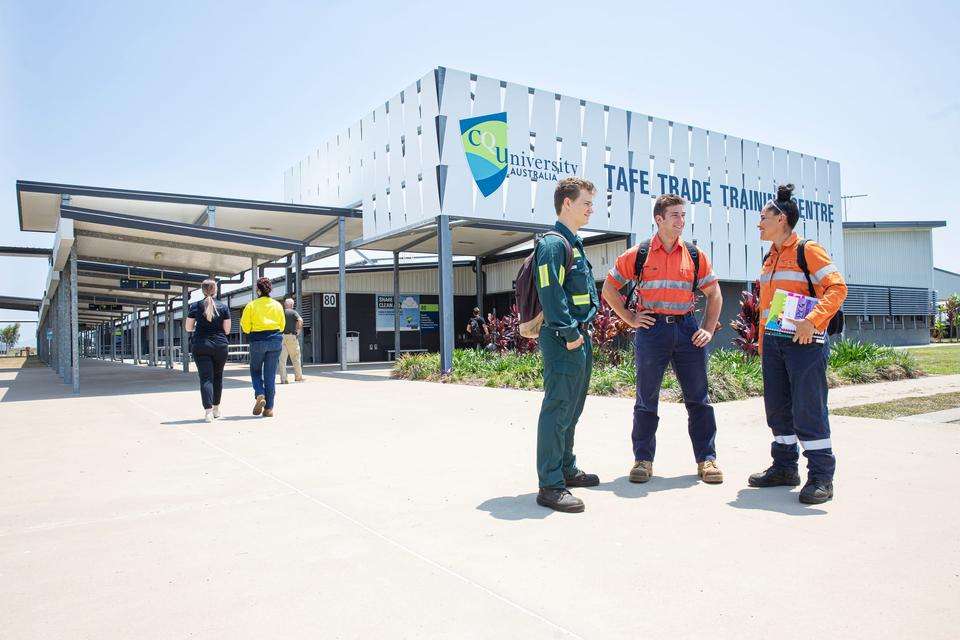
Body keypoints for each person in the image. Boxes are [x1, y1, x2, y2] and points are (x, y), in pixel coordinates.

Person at [602, 194, 724, 485]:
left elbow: (714, 293)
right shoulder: (638, 254)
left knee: (699, 400)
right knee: (646, 399)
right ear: (659, 219)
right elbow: (609, 289)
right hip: (652, 331)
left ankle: (707, 460)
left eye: (683, 215)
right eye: (675, 216)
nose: (681, 221)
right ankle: (643, 461)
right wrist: (630, 318)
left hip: (687, 330)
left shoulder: (694, 255)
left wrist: (707, 327)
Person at [750, 184, 847, 504]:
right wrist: (764, 343)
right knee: (778, 409)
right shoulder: (771, 256)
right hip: (775, 344)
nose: (759, 222)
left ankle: (821, 477)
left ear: (782, 218)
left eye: (764, 216)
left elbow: (837, 288)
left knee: (808, 409)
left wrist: (813, 321)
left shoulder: (808, 250)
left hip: (804, 342)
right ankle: (784, 467)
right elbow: (767, 307)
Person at [534, 177, 601, 513]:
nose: (592, 208)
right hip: (565, 338)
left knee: (572, 408)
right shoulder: (552, 244)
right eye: (587, 202)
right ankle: (550, 485)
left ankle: (565, 468)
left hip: (578, 335)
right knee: (558, 406)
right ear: (567, 204)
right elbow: (550, 292)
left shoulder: (573, 242)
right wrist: (568, 331)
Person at [185, 279, 231, 422]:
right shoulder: (223, 307)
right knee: (218, 377)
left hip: (201, 345)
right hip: (220, 345)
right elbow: (227, 330)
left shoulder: (195, 306)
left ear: (202, 290)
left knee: (206, 378)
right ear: (215, 290)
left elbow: (188, 328)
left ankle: (208, 412)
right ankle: (216, 409)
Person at [240, 277, 286, 417]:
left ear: (258, 290)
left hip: (258, 341)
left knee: (255, 370)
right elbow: (282, 325)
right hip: (275, 341)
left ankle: (260, 394)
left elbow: (245, 327)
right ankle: (269, 409)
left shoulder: (251, 305)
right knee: (270, 375)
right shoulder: (277, 305)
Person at [278, 298, 304, 384]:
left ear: (285, 305)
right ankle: (298, 377)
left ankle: (284, 379)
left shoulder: (281, 312)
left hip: (281, 337)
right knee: (296, 358)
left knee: (282, 360)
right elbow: (300, 320)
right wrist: (298, 331)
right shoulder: (293, 312)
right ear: (292, 305)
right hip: (291, 337)